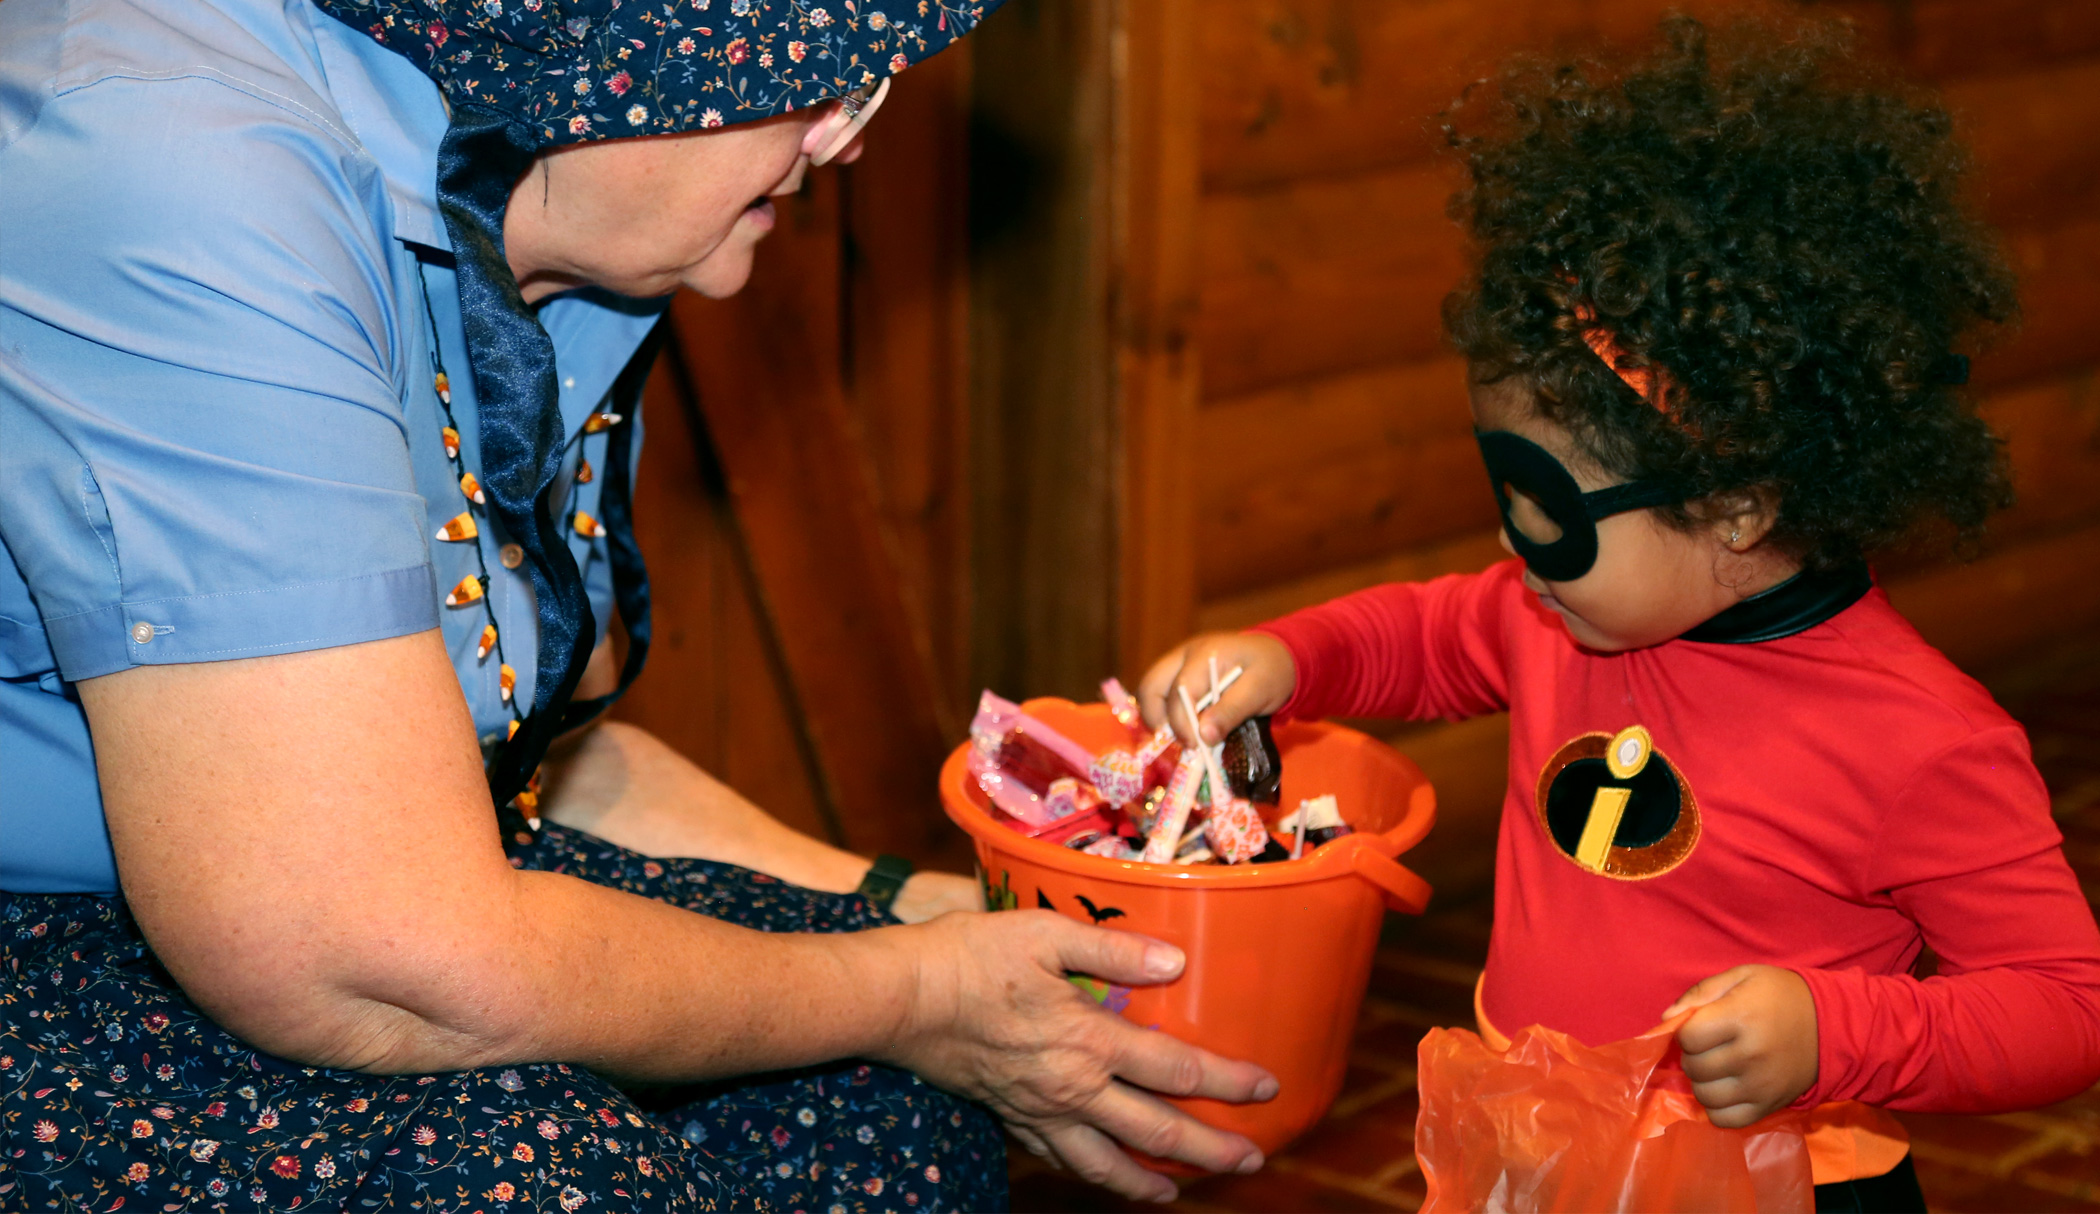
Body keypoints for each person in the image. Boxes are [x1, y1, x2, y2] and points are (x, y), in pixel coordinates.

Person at [0, 0, 1276, 1208]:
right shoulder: (184, 177)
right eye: (812, 74)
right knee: (543, 1173)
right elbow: (368, 948)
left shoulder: (562, 230)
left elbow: (528, 761)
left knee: (887, 1113)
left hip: (338, 903)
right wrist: (913, 986)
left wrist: (915, 907)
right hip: (83, 947)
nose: (850, 131)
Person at [1138, 16, 2100, 1212]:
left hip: (1772, 1181)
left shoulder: (1921, 738)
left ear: (1738, 505)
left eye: (1547, 510)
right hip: (1536, 1145)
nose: (1511, 547)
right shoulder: (1555, 617)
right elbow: (1424, 636)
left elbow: (2068, 1002)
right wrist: (1285, 655)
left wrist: (1834, 1031)